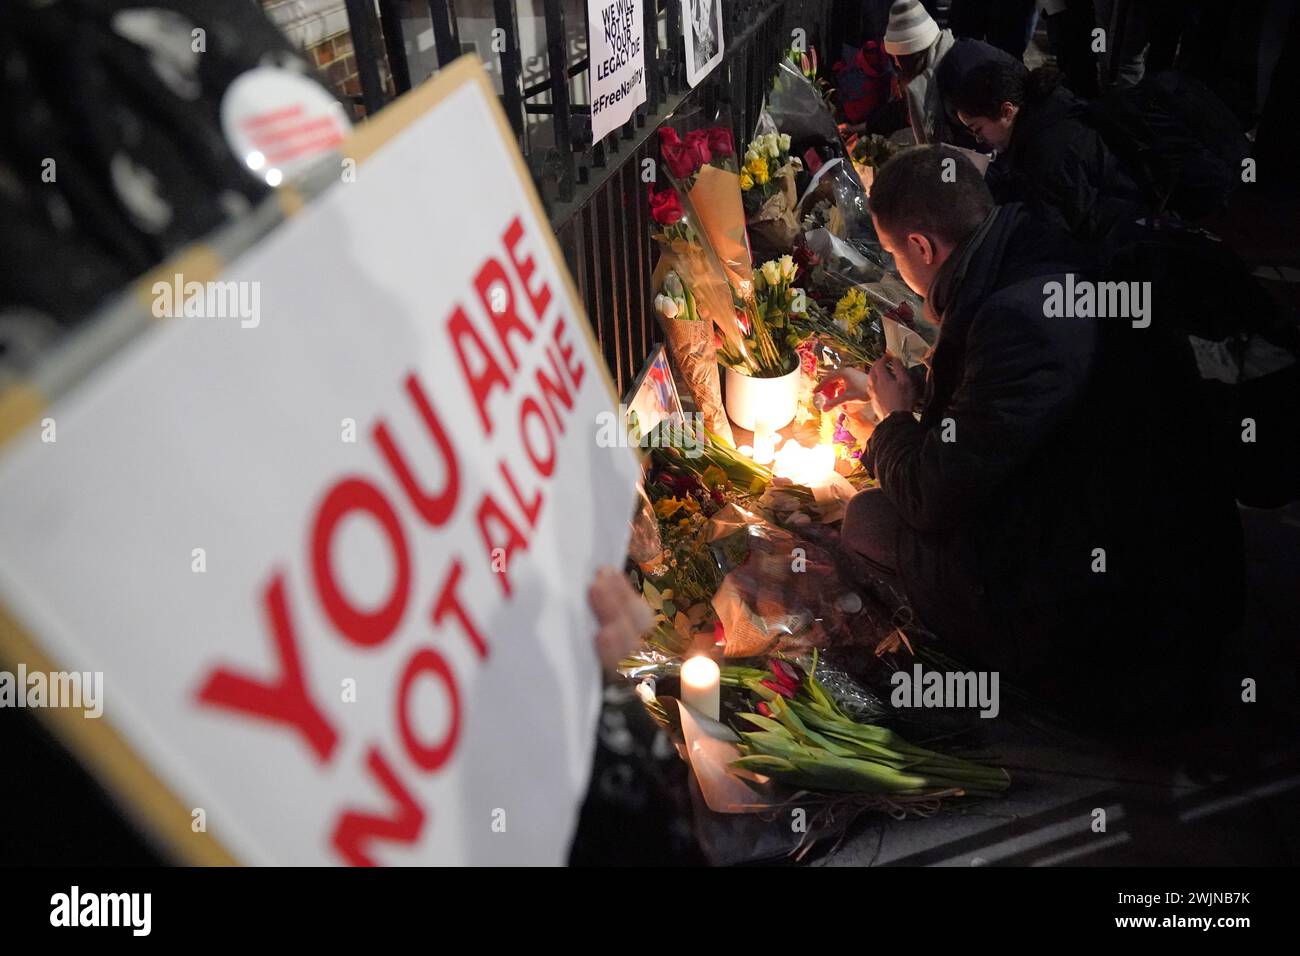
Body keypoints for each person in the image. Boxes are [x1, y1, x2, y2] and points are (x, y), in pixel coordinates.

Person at [819, 146, 1242, 724]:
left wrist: (891, 424)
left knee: (866, 520)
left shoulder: (1020, 321)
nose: (898, 270)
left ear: (921, 246)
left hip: (1112, 601)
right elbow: (1000, 396)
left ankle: (1016, 672)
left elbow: (929, 498)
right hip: (1103, 524)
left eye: (894, 254)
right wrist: (916, 386)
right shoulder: (1025, 244)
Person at [950, 60, 1147, 249]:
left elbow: (1054, 233)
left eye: (978, 129)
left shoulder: (1049, 154)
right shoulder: (1045, 112)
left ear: (1007, 111)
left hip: (1117, 240)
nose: (978, 139)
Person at [882, 0, 1020, 151]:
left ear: (907, 58)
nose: (895, 63)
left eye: (895, 57)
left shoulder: (955, 77)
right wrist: (865, 125)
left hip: (1015, 140)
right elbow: (903, 110)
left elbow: (978, 141)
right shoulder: (945, 54)